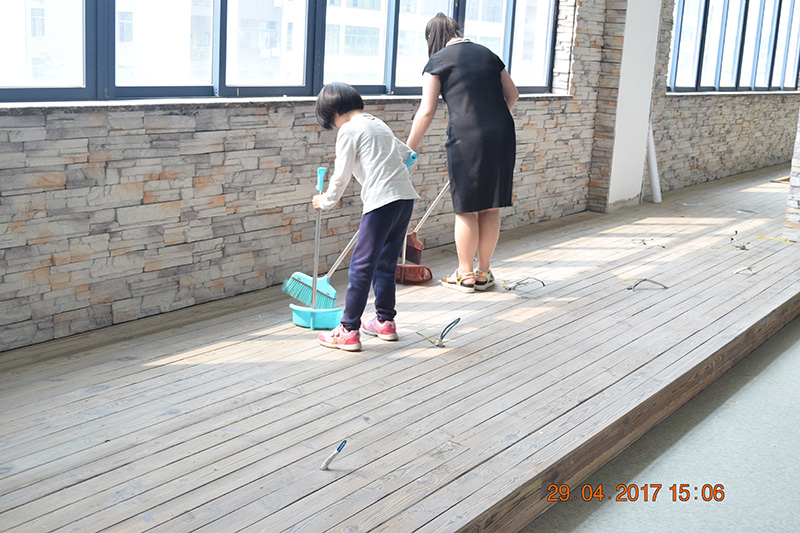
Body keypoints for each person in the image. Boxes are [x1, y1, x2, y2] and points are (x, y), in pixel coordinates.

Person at [407, 12, 519, 293]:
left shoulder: (438, 61)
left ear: (432, 38)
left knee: (466, 208)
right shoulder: (488, 54)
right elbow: (513, 95)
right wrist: (493, 121)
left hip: (467, 136)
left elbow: (427, 110)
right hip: (502, 134)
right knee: (491, 205)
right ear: (456, 31)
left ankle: (465, 275)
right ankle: (483, 273)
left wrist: (410, 147)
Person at [313, 82, 419, 351]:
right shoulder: (377, 124)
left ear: (335, 111)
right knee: (386, 263)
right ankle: (385, 321)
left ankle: (348, 330)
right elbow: (408, 154)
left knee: (361, 267)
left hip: (381, 201)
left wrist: (325, 201)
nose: (334, 125)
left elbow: (341, 174)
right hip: (404, 198)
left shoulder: (349, 129)